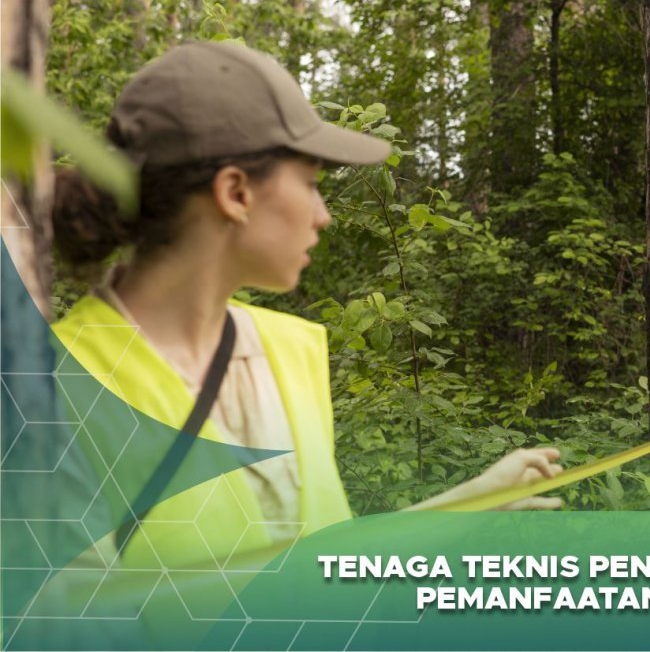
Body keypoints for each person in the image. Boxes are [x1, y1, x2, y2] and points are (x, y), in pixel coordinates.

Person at [50, 41, 563, 571]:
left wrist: (470, 501)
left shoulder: (291, 349)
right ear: (236, 193)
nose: (324, 216)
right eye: (313, 185)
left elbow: (322, 562)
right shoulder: (51, 387)